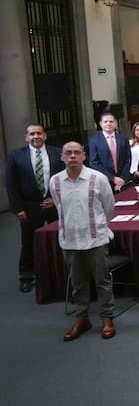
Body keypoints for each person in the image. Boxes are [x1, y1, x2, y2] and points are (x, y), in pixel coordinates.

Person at [50, 142, 117, 341]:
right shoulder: (55, 181)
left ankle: (107, 317)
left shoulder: (98, 178)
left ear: (83, 156)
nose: (72, 156)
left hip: (95, 239)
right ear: (62, 157)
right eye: (68, 153)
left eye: (76, 153)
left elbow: (109, 206)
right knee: (78, 283)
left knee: (102, 281)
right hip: (70, 240)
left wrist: (98, 225)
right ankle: (82, 318)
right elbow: (58, 207)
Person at [5, 124, 65, 292]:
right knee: (28, 242)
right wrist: (18, 209)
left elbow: (64, 178)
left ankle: (61, 273)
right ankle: (26, 276)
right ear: (26, 137)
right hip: (29, 206)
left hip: (53, 204)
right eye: (32, 134)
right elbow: (11, 184)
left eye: (39, 133)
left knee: (59, 239)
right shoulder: (16, 156)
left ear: (45, 135)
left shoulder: (57, 153)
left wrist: (56, 199)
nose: (35, 136)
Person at [89, 112, 132, 192]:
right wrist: (113, 178)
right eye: (105, 122)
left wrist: (122, 178)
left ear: (115, 123)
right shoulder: (94, 141)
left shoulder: (123, 139)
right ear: (100, 124)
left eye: (111, 121)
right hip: (105, 181)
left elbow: (128, 159)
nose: (108, 124)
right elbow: (95, 163)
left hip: (123, 181)